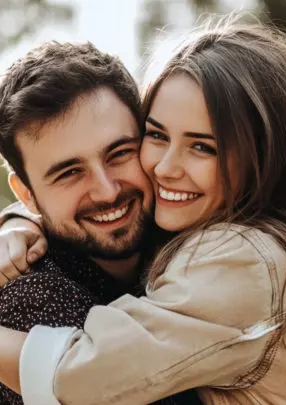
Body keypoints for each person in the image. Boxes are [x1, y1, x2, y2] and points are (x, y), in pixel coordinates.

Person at [0, 14, 286, 405]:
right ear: (27, 193)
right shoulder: (34, 292)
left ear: (263, 159)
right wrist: (22, 219)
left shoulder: (241, 258)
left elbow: (78, 372)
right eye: (158, 136)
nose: (166, 168)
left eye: (203, 146)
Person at [0, 41, 200, 405]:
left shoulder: (201, 237)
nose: (107, 191)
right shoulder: (33, 303)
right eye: (69, 173)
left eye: (120, 153)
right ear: (26, 194)